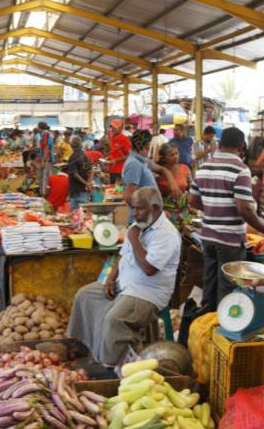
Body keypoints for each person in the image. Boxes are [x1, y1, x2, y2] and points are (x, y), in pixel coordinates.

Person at [67, 187, 180, 366]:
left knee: (115, 319)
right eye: (133, 208)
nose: (135, 213)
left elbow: (149, 269)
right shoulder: (138, 226)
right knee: (84, 295)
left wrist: (134, 238)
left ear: (156, 208)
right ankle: (89, 349)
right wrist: (111, 278)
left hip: (147, 292)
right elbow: (123, 255)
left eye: (139, 209)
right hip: (124, 284)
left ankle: (115, 366)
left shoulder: (166, 234)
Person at [189, 127, 264, 311]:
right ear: (242, 146)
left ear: (219, 144)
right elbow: (244, 209)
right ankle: (221, 329)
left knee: (209, 285)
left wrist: (212, 209)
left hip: (208, 237)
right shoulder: (240, 170)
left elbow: (192, 201)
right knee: (227, 290)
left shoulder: (203, 167)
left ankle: (204, 327)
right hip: (230, 240)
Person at [123, 130, 179, 224]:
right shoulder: (134, 164)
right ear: (147, 146)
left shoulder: (142, 161)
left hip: (150, 220)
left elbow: (162, 169)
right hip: (143, 222)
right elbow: (129, 198)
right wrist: (156, 212)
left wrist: (173, 184)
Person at [66, 135, 93, 210]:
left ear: (71, 145)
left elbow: (75, 175)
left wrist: (86, 183)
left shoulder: (72, 157)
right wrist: (88, 183)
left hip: (76, 191)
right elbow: (91, 171)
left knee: (75, 215)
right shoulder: (85, 155)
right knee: (84, 214)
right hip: (84, 191)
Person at [108, 119, 131, 184]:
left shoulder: (124, 139)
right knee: (112, 190)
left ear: (120, 128)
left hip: (120, 170)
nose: (112, 129)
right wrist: (107, 158)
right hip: (112, 170)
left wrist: (116, 160)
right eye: (112, 127)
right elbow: (114, 153)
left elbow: (130, 155)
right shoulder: (112, 138)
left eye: (114, 127)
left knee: (118, 191)